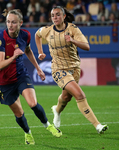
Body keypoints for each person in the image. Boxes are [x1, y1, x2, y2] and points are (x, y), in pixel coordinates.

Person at [35, 6, 108, 134]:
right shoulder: (47, 30)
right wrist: (40, 52)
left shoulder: (73, 29)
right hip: (58, 69)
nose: (55, 17)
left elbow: (87, 46)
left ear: (64, 16)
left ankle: (57, 110)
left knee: (66, 97)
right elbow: (37, 35)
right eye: (53, 15)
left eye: (58, 15)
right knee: (79, 95)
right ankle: (98, 125)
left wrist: (73, 40)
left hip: (74, 68)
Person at [0, 9, 62, 145]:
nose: (10, 25)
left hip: (20, 76)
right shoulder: (1, 39)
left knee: (33, 103)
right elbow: (0, 65)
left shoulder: (25, 35)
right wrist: (14, 55)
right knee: (19, 113)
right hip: (5, 82)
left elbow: (28, 50)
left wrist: (38, 69)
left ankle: (48, 125)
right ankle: (28, 134)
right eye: (8, 22)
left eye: (13, 22)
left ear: (20, 23)